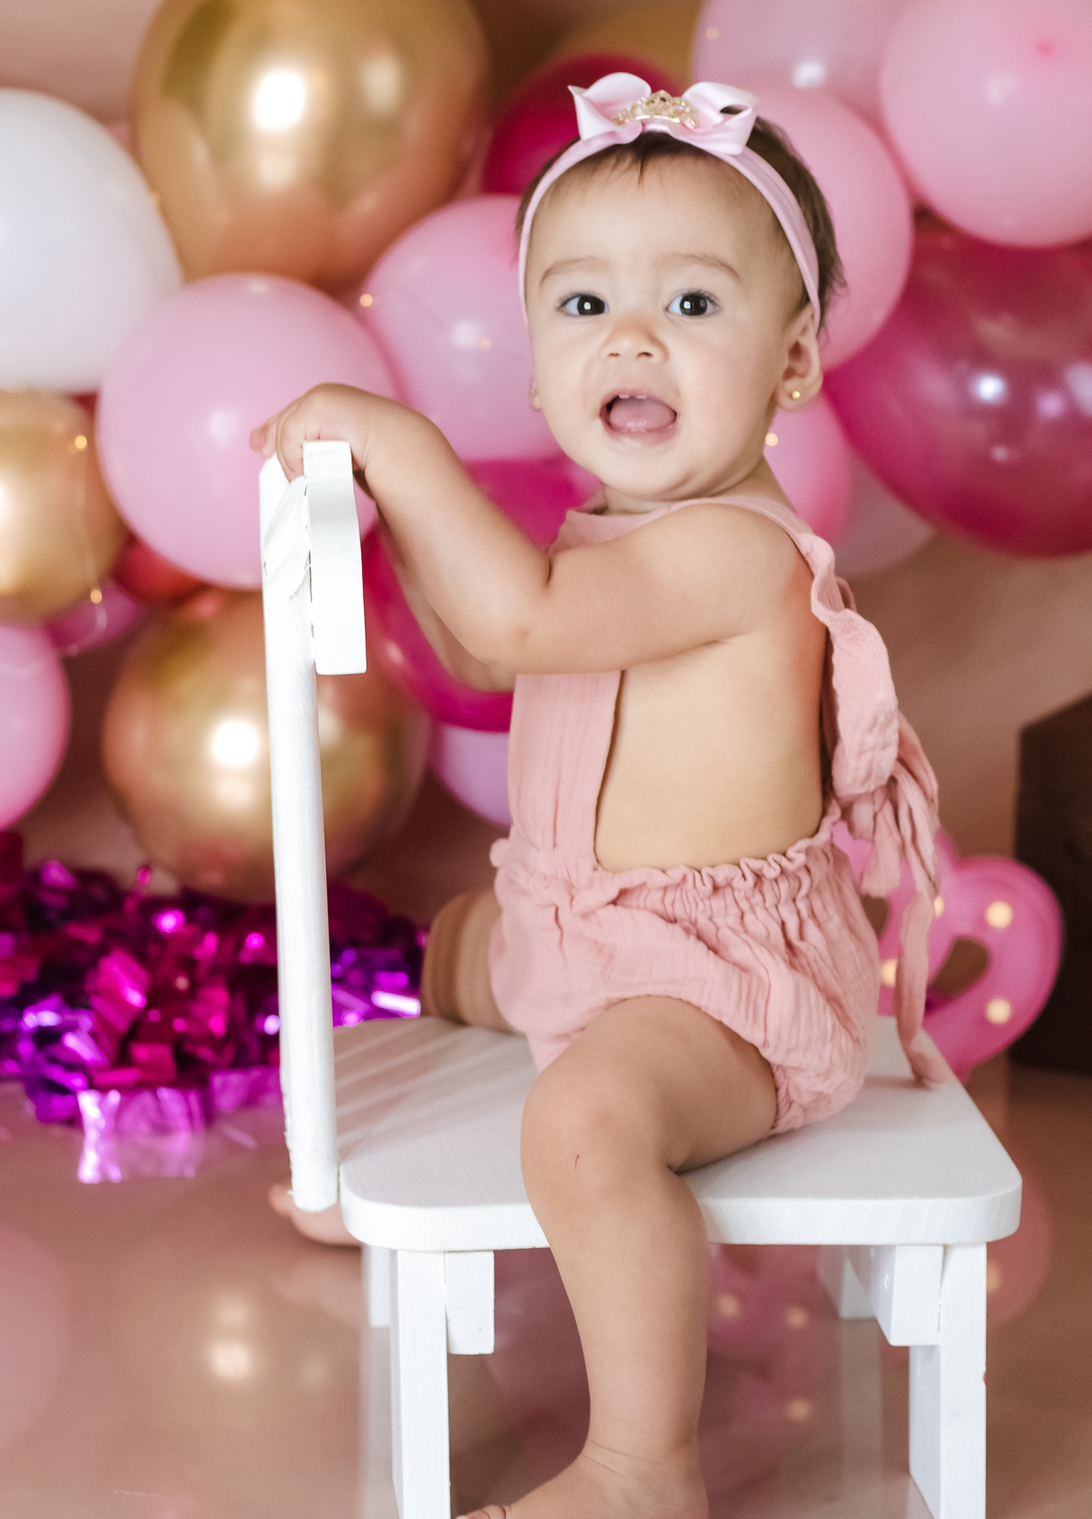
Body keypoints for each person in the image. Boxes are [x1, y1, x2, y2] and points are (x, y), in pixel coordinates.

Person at [252, 75, 945, 1519]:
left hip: (723, 985)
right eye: (583, 305)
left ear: (794, 360)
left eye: (691, 303)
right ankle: (383, 1199)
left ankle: (643, 1465)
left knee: (586, 1122)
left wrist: (401, 445)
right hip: (582, 931)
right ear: (535, 364)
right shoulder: (609, 540)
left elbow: (516, 624)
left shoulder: (734, 554)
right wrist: (389, 529)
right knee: (448, 954)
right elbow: (483, 648)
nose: (632, 338)